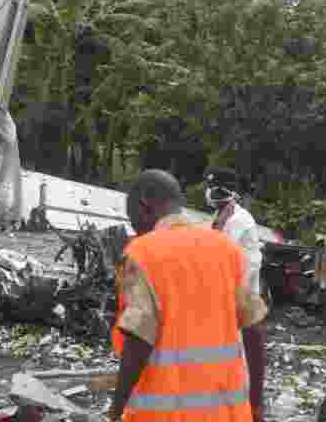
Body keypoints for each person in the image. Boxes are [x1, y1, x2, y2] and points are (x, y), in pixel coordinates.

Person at [107, 169, 268, 422]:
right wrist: (256, 405)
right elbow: (255, 330)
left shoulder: (142, 253)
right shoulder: (226, 249)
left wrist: (116, 410)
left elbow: (138, 340)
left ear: (144, 204)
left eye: (132, 217)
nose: (134, 226)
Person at [204, 166, 266, 422]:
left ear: (221, 191)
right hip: (228, 300)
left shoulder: (239, 220)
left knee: (243, 359)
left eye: (211, 187)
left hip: (240, 301)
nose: (207, 192)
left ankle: (247, 411)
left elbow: (226, 261)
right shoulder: (219, 218)